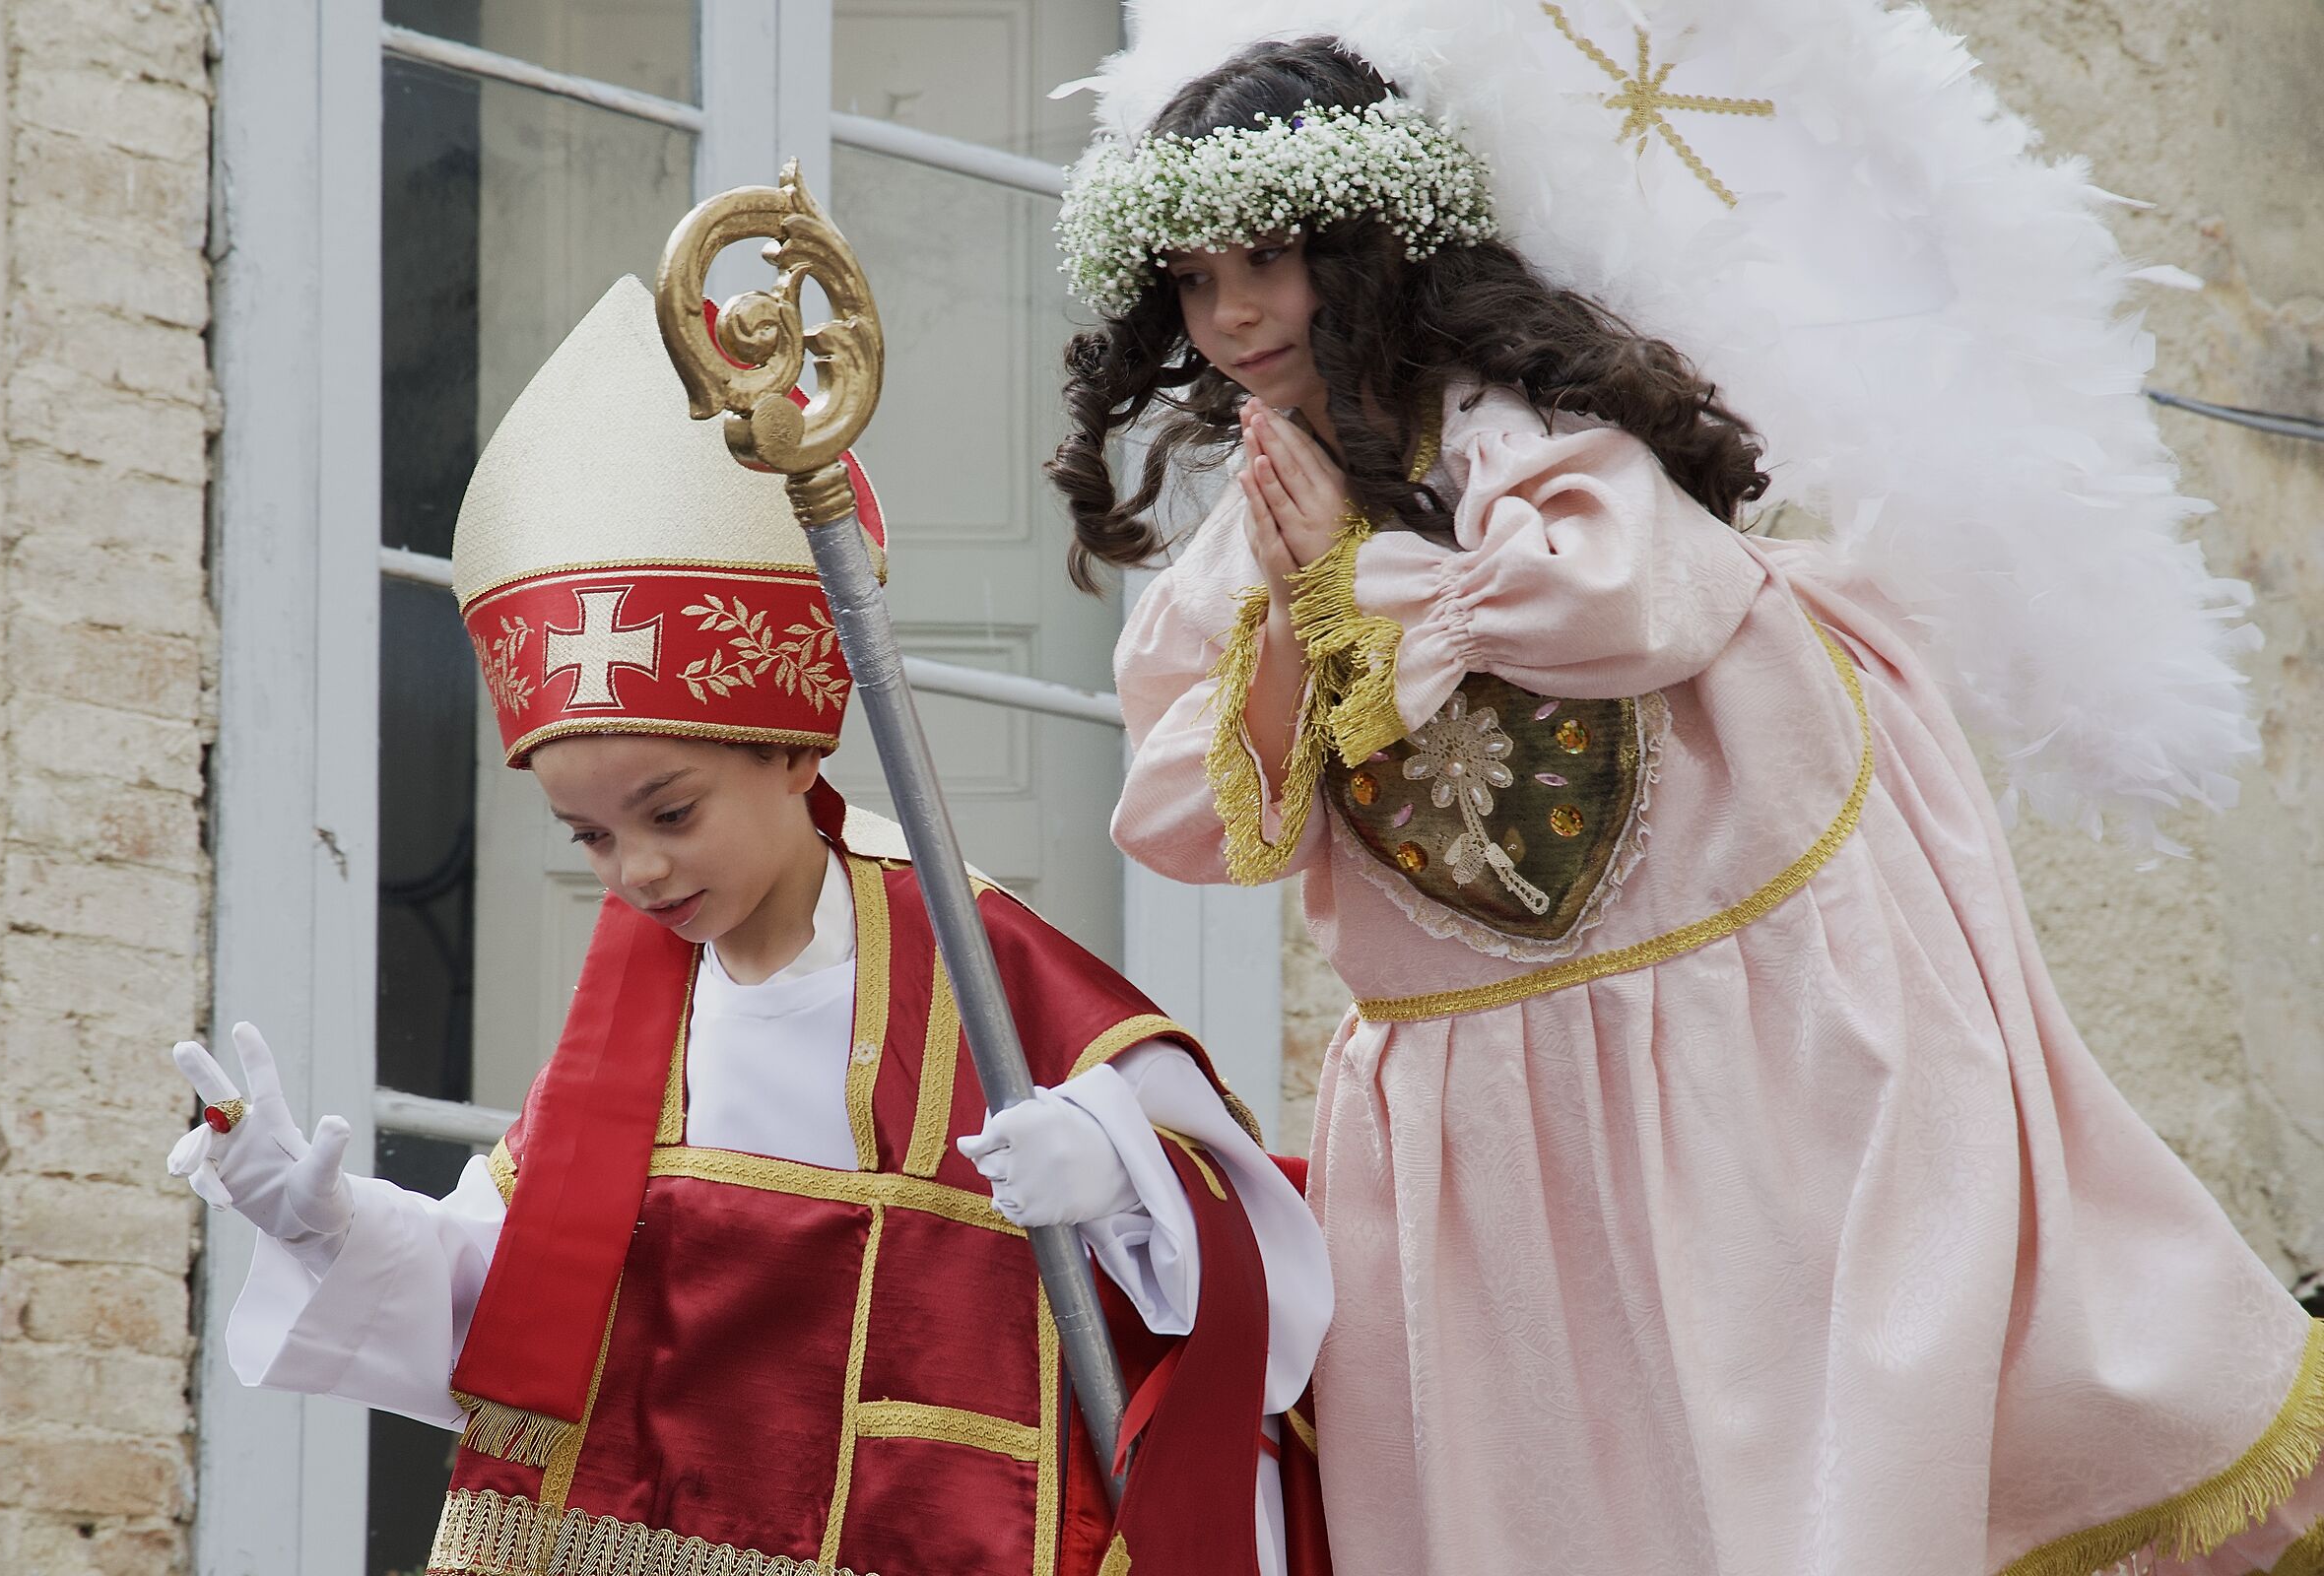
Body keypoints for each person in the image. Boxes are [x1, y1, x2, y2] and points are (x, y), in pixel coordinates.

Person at [1054, 32, 2324, 1576]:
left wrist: (1347, 592)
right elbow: (1191, 814)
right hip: (1491, 1118)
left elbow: (1624, 606)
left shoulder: (1528, 446)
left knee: (1814, 1450)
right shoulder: (1239, 550)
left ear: (1368, 241)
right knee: (1547, 1504)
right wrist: (1306, 605)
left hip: (1753, 1044)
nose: (1233, 313)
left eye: (1269, 259)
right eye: (1193, 279)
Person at [164, 276, 1332, 1576]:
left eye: (669, 811)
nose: (639, 874)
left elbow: (1249, 1250)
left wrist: (1119, 1170)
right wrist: (324, 1224)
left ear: (789, 752)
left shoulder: (971, 956)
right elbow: (515, 1316)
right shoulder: (639, 1025)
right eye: (592, 837)